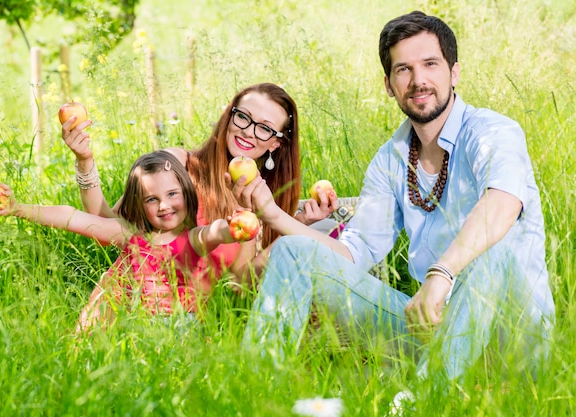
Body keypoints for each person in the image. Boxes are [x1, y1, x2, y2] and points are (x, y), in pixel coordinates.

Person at [236, 10, 555, 400]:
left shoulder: (493, 132)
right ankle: (252, 395)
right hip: (429, 326)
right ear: (388, 85)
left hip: (511, 338)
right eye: (403, 69)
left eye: (430, 64)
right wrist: (273, 215)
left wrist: (442, 273)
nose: (418, 80)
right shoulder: (389, 161)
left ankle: (423, 400)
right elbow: (354, 252)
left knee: (495, 246)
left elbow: (503, 203)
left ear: (454, 72)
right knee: (291, 252)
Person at [61, 83, 338, 286]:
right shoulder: (177, 165)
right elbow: (104, 228)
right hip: (146, 305)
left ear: (276, 143)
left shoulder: (263, 198)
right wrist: (85, 162)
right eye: (243, 117)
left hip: (199, 320)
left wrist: (298, 225)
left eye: (264, 128)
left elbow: (242, 283)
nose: (247, 131)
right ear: (229, 116)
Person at [0, 150, 253, 331]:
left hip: (180, 325)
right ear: (139, 204)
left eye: (172, 194)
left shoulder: (195, 238)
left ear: (186, 192)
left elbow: (218, 231)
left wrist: (237, 225)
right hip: (135, 326)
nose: (164, 205)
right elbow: (71, 217)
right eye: (152, 199)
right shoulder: (130, 236)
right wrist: (18, 208)